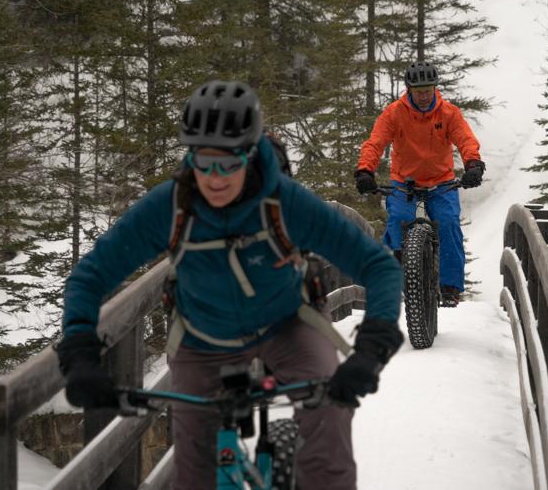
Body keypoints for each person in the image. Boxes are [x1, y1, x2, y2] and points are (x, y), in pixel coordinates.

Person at [55, 80, 404, 490]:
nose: (215, 178)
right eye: (204, 163)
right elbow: (92, 274)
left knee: (328, 418)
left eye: (229, 164)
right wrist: (79, 349)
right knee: (195, 471)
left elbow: (377, 265)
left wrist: (373, 344)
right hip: (203, 337)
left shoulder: (285, 202)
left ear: (250, 154)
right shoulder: (171, 207)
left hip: (288, 324)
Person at [354, 61, 485, 306]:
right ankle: (399, 272)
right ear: (409, 90)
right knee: (396, 222)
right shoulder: (394, 113)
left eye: (428, 90)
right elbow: (375, 143)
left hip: (441, 183)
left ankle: (449, 288)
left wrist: (473, 164)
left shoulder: (449, 113)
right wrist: (365, 170)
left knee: (448, 226)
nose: (424, 96)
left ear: (435, 88)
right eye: (419, 91)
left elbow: (466, 140)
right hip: (405, 183)